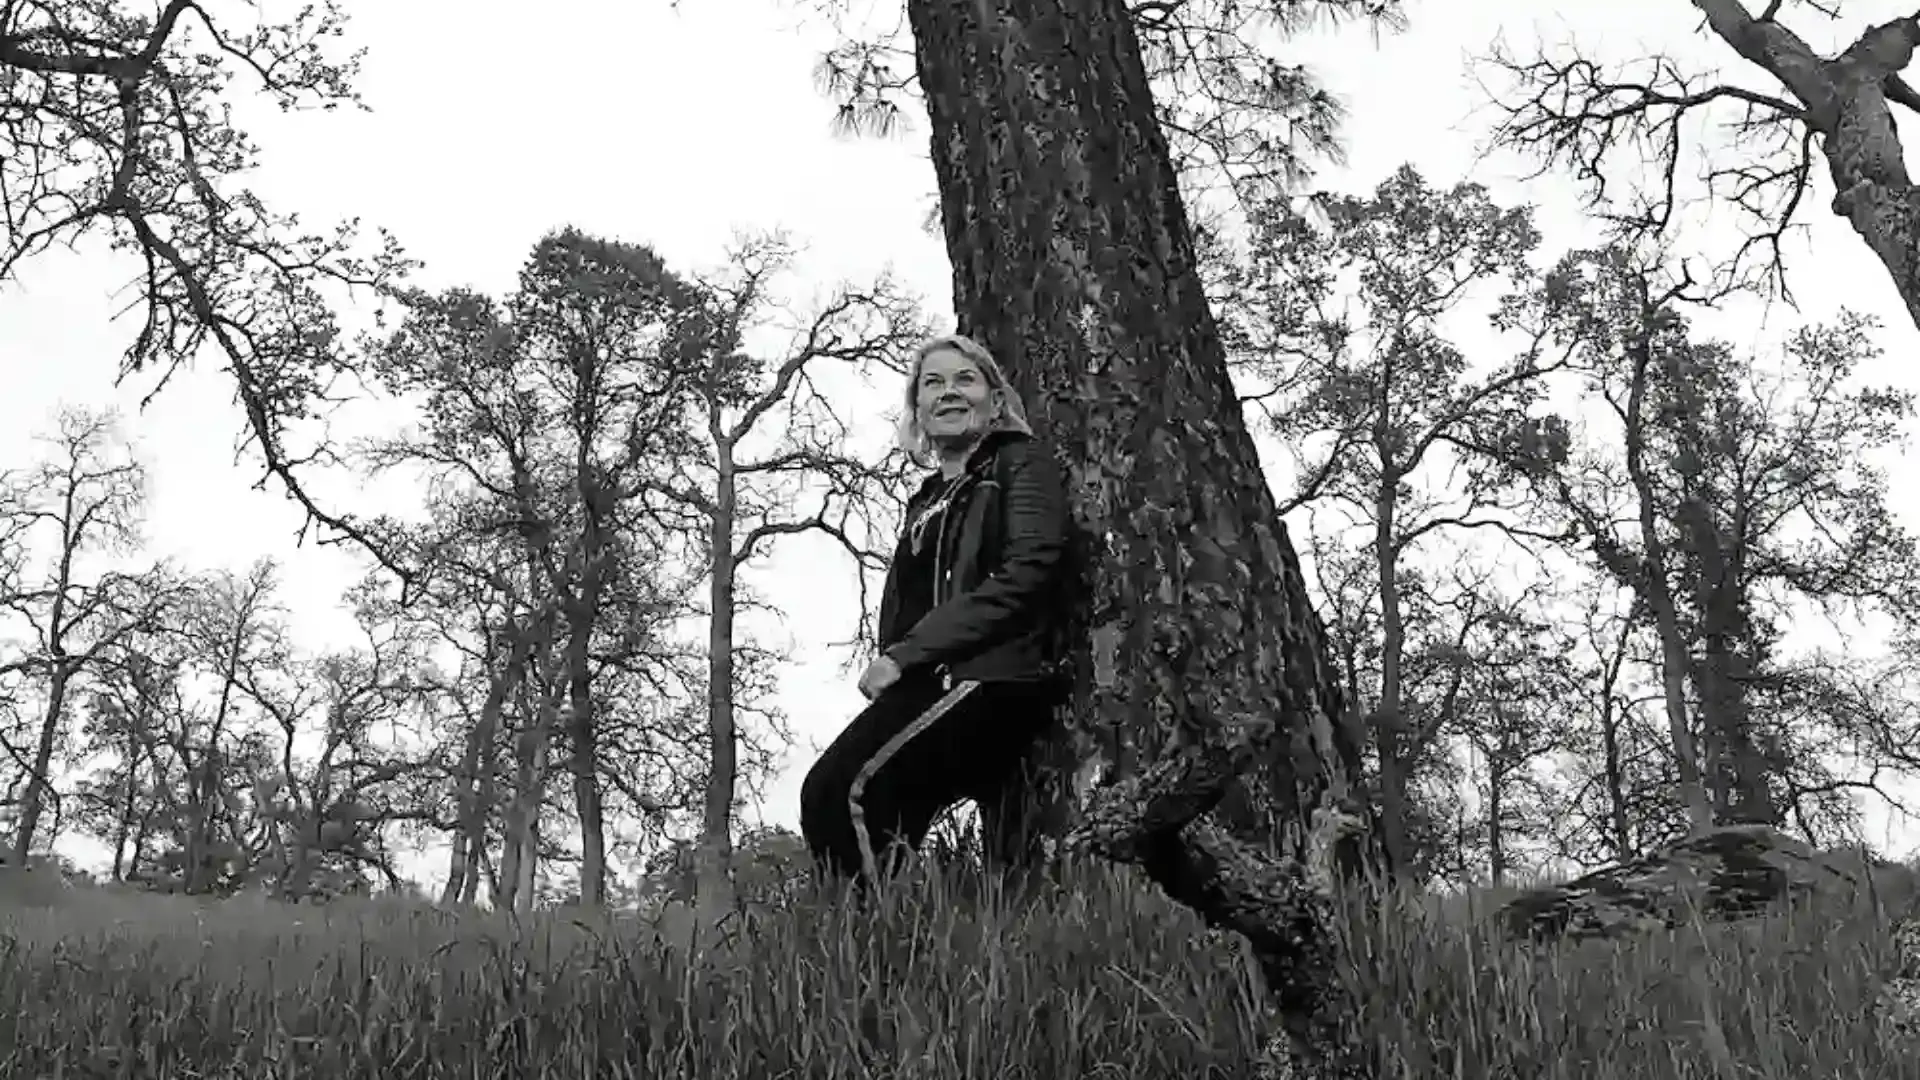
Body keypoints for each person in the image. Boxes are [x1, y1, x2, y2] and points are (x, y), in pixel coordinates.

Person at [799, 332, 1070, 890]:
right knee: (877, 816)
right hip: (928, 682)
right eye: (933, 383)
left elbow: (1026, 572)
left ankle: (870, 938)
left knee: (840, 789)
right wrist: (900, 665)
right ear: (918, 409)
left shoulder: (1019, 465)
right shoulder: (926, 498)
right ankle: (899, 934)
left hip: (992, 676)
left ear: (996, 401)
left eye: (965, 379)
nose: (949, 392)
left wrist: (904, 656)